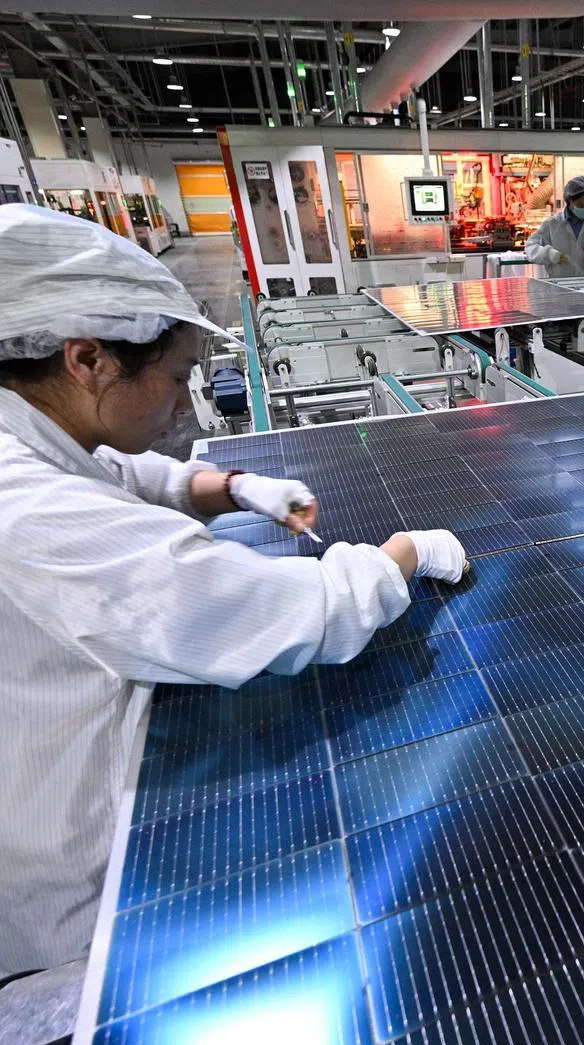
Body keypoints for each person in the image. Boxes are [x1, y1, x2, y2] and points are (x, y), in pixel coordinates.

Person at [0, 204, 468, 977]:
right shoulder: (29, 509)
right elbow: (285, 614)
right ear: (86, 361)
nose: (185, 405)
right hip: (77, 872)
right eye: (177, 377)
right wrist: (403, 555)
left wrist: (231, 484)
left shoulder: (30, 435)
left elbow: (110, 470)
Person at [524, 174, 584, 279]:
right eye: (581, 205)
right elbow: (530, 247)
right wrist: (549, 254)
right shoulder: (552, 224)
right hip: (559, 286)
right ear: (570, 201)